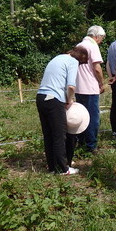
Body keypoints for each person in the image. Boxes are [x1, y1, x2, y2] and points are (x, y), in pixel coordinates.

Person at [36, 46, 89, 174]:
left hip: (41, 97)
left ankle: (52, 167)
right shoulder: (73, 62)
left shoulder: (58, 57)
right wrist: (69, 100)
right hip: (54, 99)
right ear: (81, 59)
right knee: (59, 135)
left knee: (48, 135)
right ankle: (63, 168)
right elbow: (71, 86)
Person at [68, 25, 106, 155]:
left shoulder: (79, 45)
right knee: (93, 117)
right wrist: (101, 82)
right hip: (90, 87)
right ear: (96, 36)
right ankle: (91, 145)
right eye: (101, 38)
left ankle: (80, 140)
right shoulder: (93, 46)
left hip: (78, 86)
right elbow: (97, 68)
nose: (101, 41)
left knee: (81, 116)